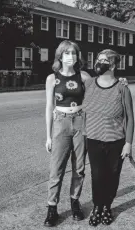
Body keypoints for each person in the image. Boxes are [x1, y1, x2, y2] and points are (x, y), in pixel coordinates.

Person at [82, 49, 134, 227]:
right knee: (97, 175)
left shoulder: (122, 87)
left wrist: (128, 143)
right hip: (94, 139)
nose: (99, 62)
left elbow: (130, 117)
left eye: (104, 60)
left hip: (116, 141)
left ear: (112, 64)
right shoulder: (89, 83)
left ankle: (107, 207)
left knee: (112, 175)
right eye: (98, 59)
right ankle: (97, 207)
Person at [44, 40, 90, 227]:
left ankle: (75, 203)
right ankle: (52, 208)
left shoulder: (84, 77)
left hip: (80, 122)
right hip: (60, 123)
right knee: (57, 169)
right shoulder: (51, 78)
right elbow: (48, 107)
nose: (70, 56)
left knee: (79, 167)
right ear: (60, 56)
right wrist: (48, 136)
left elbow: (103, 89)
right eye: (67, 53)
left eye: (74, 53)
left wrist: (119, 82)